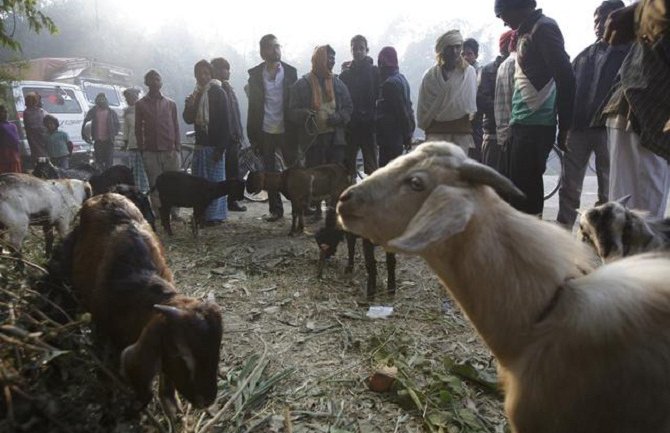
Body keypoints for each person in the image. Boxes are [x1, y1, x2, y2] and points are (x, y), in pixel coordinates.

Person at [495, 0, 576, 217]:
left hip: (536, 125)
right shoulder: (526, 31)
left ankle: (529, 242)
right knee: (518, 189)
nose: (504, 22)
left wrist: (566, 125)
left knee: (526, 193)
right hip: (521, 124)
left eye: (502, 15)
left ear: (516, 7)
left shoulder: (544, 28)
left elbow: (565, 75)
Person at [556, 1, 630, 229]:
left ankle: (602, 234)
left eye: (603, 19)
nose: (597, 25)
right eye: (595, 20)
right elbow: (567, 91)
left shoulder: (628, 53)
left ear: (616, 19)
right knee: (569, 185)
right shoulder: (585, 55)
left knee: (608, 187)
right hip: (579, 127)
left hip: (609, 128)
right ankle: (563, 230)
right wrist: (565, 125)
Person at [600, 0, 670, 218]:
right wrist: (640, 13)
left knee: (633, 219)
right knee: (638, 223)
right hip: (646, 111)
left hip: (643, 107)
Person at [247, 34, 299, 222]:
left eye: (277, 46)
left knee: (294, 169)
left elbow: (297, 102)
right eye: (270, 47)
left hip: (287, 129)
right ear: (262, 52)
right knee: (269, 173)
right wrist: (252, 135)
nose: (276, 50)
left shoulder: (291, 72)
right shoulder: (254, 75)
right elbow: (253, 107)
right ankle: (276, 210)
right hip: (265, 130)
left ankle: (299, 207)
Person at [289, 45, 353, 169]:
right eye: (329, 58)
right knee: (314, 178)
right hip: (312, 142)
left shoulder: (339, 84)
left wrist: (339, 117)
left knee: (334, 178)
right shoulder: (301, 85)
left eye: (334, 58)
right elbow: (291, 112)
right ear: (319, 59)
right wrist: (305, 114)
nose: (333, 61)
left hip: (335, 140)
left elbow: (349, 107)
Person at [183, 60, 230, 225]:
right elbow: (188, 119)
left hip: (215, 146)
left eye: (205, 73)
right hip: (201, 146)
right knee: (199, 183)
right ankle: (201, 214)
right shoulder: (195, 94)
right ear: (195, 76)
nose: (202, 77)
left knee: (215, 183)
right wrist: (189, 106)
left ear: (211, 75)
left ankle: (215, 216)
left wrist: (220, 148)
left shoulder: (218, 92)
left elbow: (225, 123)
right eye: (199, 74)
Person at [417, 30, 477, 154]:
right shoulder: (430, 76)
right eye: (450, 47)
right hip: (436, 132)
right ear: (442, 49)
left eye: (457, 47)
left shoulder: (469, 73)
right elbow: (424, 106)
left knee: (457, 170)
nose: (454, 51)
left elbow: (468, 105)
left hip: (461, 132)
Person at [135, 69, 182, 218]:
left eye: (158, 79)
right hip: (150, 150)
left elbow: (175, 125)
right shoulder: (140, 104)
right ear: (147, 83)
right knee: (154, 185)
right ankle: (160, 213)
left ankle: (175, 212)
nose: (155, 82)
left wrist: (177, 146)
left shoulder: (170, 104)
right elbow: (138, 128)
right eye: (152, 79)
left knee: (174, 183)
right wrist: (142, 148)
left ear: (161, 82)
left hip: (170, 150)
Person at [339, 35, 380, 177]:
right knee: (348, 166)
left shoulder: (375, 72)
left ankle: (373, 197)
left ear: (367, 50)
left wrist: (374, 117)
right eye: (355, 49)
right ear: (351, 51)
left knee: (372, 165)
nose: (358, 52)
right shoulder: (345, 76)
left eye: (361, 48)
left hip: (369, 125)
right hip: (351, 126)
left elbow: (378, 97)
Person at [212, 57, 247, 212]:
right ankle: (224, 203)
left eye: (227, 68)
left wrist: (239, 133)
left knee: (233, 170)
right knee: (224, 172)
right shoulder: (215, 89)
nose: (227, 72)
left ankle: (231, 201)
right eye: (224, 68)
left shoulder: (229, 88)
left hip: (234, 137)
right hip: (223, 138)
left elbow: (235, 115)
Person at [479, 31, 514, 170]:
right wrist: (503, 111)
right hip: (493, 132)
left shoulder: (520, 67)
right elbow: (481, 100)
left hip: (512, 133)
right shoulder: (488, 70)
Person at [375, 46, 415, 167]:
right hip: (398, 137)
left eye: (380, 63)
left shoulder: (389, 85)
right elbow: (407, 108)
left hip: (390, 138)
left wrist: (407, 136)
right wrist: (408, 134)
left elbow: (401, 111)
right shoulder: (402, 79)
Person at [82, 93, 120, 170]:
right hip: (98, 141)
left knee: (109, 162)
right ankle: (101, 177)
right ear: (97, 102)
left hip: (109, 141)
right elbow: (85, 122)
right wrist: (85, 135)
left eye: (103, 100)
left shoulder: (111, 112)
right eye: (99, 100)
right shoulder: (93, 111)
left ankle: (108, 177)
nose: (102, 102)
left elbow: (117, 125)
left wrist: (113, 133)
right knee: (99, 162)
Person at [122, 88, 150, 193]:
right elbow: (126, 130)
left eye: (129, 98)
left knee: (144, 168)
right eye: (126, 99)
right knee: (134, 169)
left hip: (144, 145)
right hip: (132, 145)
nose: (128, 100)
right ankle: (137, 189)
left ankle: (145, 189)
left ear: (135, 98)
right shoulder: (127, 113)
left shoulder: (143, 109)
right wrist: (125, 143)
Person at [23, 92, 48, 165]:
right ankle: (41, 166)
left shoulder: (39, 111)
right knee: (38, 152)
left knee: (40, 152)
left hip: (39, 135)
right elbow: (30, 125)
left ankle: (42, 166)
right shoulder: (28, 112)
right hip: (34, 135)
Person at [0, 105, 22, 174]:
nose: (6, 114)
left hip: (14, 153)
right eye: (3, 112)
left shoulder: (12, 125)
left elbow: (16, 140)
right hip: (4, 154)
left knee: (15, 172)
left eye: (6, 112)